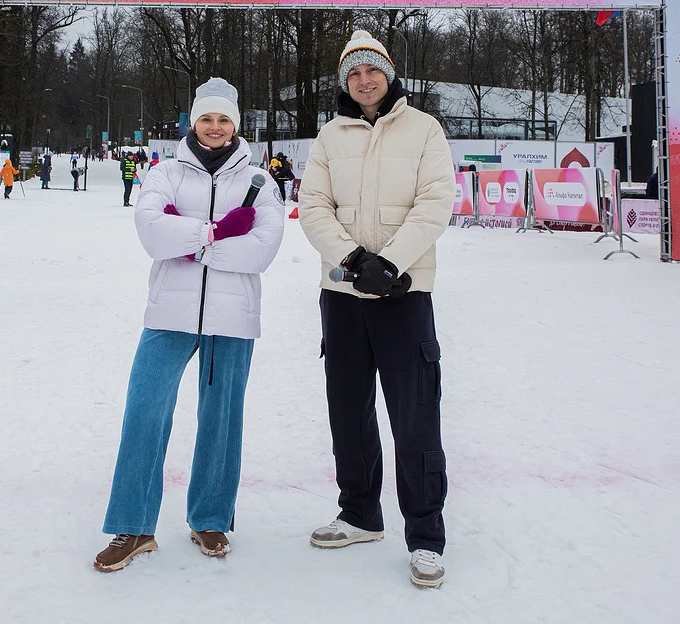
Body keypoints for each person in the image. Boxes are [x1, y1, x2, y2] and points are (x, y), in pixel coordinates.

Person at [94, 77, 285, 572]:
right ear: (193, 121)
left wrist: (193, 243)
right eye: (207, 118)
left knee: (221, 420)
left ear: (235, 124)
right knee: (144, 410)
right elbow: (152, 233)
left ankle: (210, 518)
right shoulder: (164, 174)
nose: (215, 127)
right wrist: (218, 232)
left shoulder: (260, 181)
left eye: (224, 119)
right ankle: (132, 526)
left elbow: (263, 249)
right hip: (169, 314)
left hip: (233, 317)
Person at [298, 30, 455, 588]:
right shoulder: (329, 135)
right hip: (342, 296)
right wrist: (353, 258)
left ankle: (426, 535)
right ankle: (360, 514)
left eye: (373, 71)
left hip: (404, 294)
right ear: (346, 83)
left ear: (389, 74)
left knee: (413, 413)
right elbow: (312, 204)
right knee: (348, 408)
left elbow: (436, 201)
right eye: (354, 75)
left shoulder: (423, 129)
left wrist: (389, 264)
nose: (365, 82)